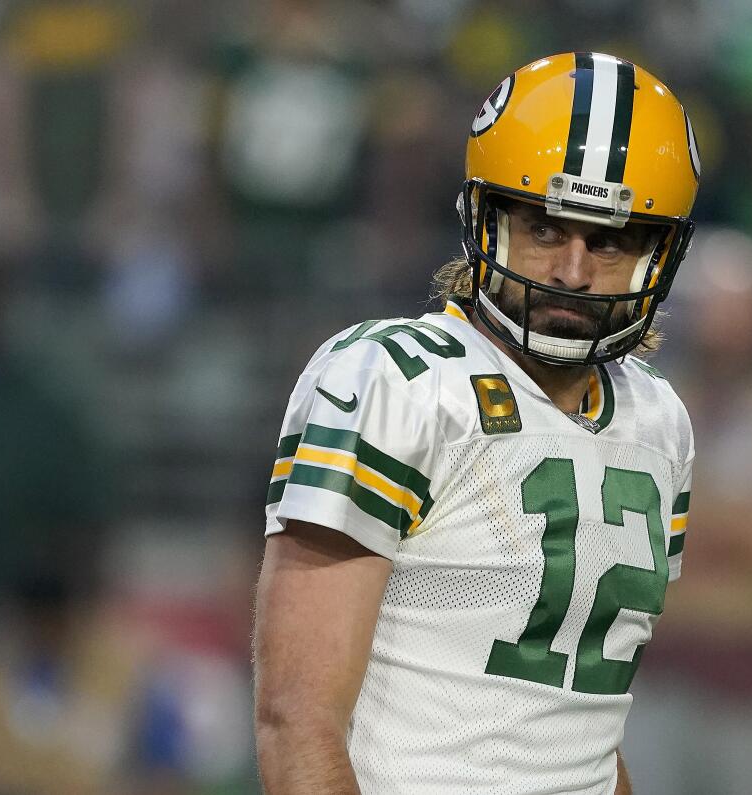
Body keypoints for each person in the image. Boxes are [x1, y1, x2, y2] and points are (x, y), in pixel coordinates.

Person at [254, 52, 701, 794]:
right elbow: (296, 718)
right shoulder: (397, 380)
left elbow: (579, 727)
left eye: (610, 240)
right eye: (546, 229)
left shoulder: (659, 420)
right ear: (484, 219)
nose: (572, 270)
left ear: (660, 254)